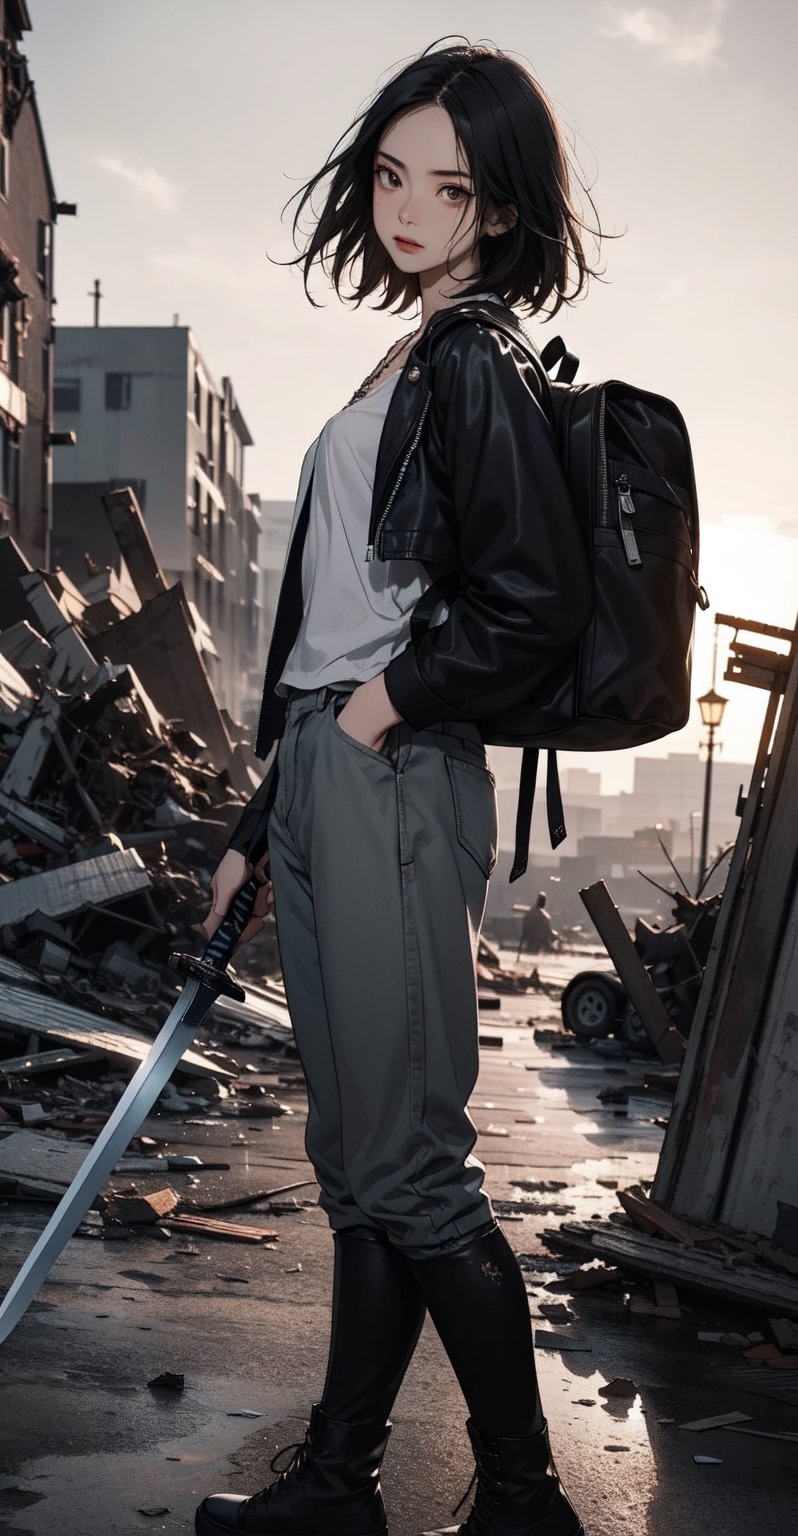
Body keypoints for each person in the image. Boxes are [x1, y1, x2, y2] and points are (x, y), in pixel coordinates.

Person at [194, 36, 605, 1536]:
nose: (411, 207)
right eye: (390, 175)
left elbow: (534, 601)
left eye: (451, 184)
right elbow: (331, 618)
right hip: (326, 772)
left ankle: (521, 1505)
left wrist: (373, 719)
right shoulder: (404, 354)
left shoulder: (475, 358)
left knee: (413, 1167)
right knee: (354, 1161)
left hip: (392, 775)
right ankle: (338, 1488)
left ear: (498, 209)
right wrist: (263, 819)